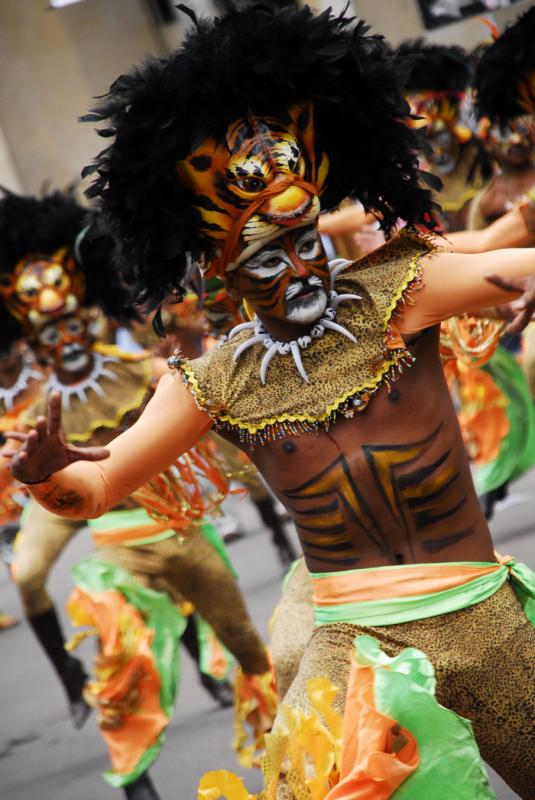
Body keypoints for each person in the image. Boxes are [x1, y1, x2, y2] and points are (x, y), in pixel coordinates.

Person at [6, 5, 535, 798]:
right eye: (266, 257)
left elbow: (512, 264)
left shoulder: (402, 288)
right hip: (348, 654)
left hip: (483, 619)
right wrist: (48, 475)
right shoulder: (214, 379)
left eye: (305, 241)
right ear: (217, 272)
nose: (298, 271)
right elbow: (99, 486)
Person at [0, 190, 272, 800]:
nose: (65, 341)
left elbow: (207, 396)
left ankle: (270, 730)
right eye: (49, 334)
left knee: (249, 648)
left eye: (72, 324)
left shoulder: (141, 369)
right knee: (58, 599)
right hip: (96, 519)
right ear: (29, 340)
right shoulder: (31, 406)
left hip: (168, 518)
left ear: (90, 314)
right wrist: (22, 466)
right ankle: (127, 767)